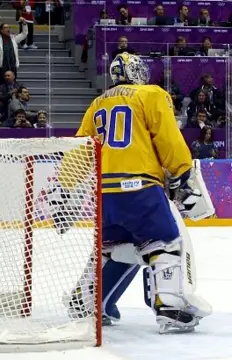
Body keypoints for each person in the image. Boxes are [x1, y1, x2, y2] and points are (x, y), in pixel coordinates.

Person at [55, 52, 212, 333]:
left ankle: (86, 302)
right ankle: (171, 306)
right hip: (139, 187)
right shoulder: (150, 94)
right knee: (163, 242)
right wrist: (182, 172)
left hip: (103, 192)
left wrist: (64, 189)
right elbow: (168, 137)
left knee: (116, 249)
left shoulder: (97, 103)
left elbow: (81, 151)